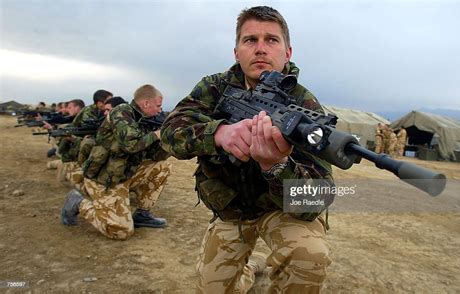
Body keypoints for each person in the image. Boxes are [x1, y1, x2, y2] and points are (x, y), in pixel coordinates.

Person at [161, 6, 333, 293]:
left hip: (279, 210)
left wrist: (277, 165)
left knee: (308, 255)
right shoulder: (214, 87)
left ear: (288, 52)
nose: (261, 49)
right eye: (250, 40)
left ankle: (253, 264)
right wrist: (219, 133)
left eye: (272, 40)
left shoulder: (306, 108)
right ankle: (250, 267)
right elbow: (170, 133)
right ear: (237, 52)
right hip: (231, 209)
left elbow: (316, 200)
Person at [61, 84, 171, 240]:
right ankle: (78, 202)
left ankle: (142, 214)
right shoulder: (121, 112)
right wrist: (157, 134)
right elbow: (131, 145)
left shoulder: (148, 120)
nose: (160, 110)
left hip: (125, 175)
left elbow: (155, 156)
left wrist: (168, 139)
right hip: (105, 179)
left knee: (163, 166)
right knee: (121, 231)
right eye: (158, 105)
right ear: (146, 103)